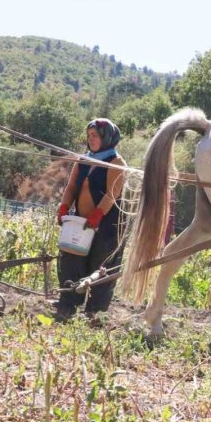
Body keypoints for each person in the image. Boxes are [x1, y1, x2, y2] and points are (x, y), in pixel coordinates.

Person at [54, 119, 126, 320]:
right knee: (72, 260)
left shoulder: (116, 162)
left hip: (107, 225)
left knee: (101, 264)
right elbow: (71, 188)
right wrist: (64, 207)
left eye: (95, 135)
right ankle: (67, 305)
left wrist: (97, 214)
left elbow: (111, 194)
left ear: (107, 138)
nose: (91, 139)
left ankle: (95, 312)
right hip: (81, 222)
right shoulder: (83, 160)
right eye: (89, 136)